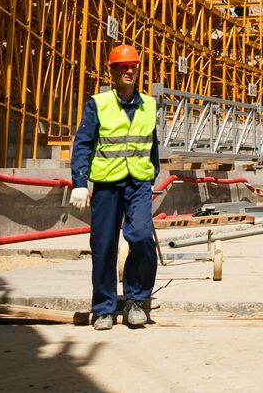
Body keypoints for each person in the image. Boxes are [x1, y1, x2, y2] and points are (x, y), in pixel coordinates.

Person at [69, 44, 160, 330]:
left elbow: (152, 146)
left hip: (138, 184)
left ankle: (136, 301)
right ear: (113, 71)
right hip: (107, 184)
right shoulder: (98, 104)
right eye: (123, 66)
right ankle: (104, 308)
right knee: (103, 246)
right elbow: (83, 143)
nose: (129, 70)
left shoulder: (149, 105)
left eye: (133, 66)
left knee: (142, 237)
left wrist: (150, 175)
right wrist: (80, 183)